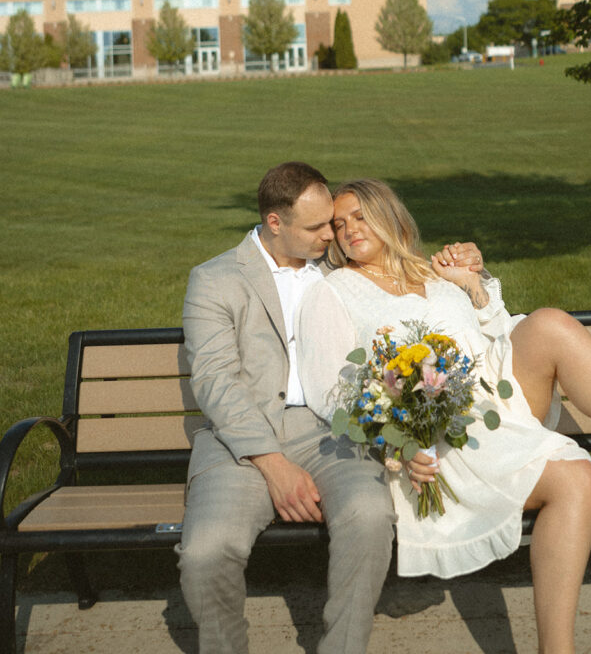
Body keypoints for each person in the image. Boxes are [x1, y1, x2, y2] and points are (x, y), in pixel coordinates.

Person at [296, 178, 591, 654]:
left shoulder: (433, 273)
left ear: (388, 214)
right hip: (435, 438)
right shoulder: (334, 292)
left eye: (360, 215)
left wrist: (473, 286)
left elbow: (500, 333)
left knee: (550, 322)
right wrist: (400, 439)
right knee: (576, 475)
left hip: (493, 399)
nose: (349, 229)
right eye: (338, 223)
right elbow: (332, 391)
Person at [177, 161, 484, 654]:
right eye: (319, 227)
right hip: (243, 438)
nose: (333, 236)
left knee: (367, 516)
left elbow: (406, 272)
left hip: (330, 430)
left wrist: (469, 264)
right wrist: (273, 464)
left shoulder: (341, 269)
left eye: (334, 223)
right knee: (206, 552)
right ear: (275, 223)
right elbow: (215, 383)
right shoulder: (215, 279)